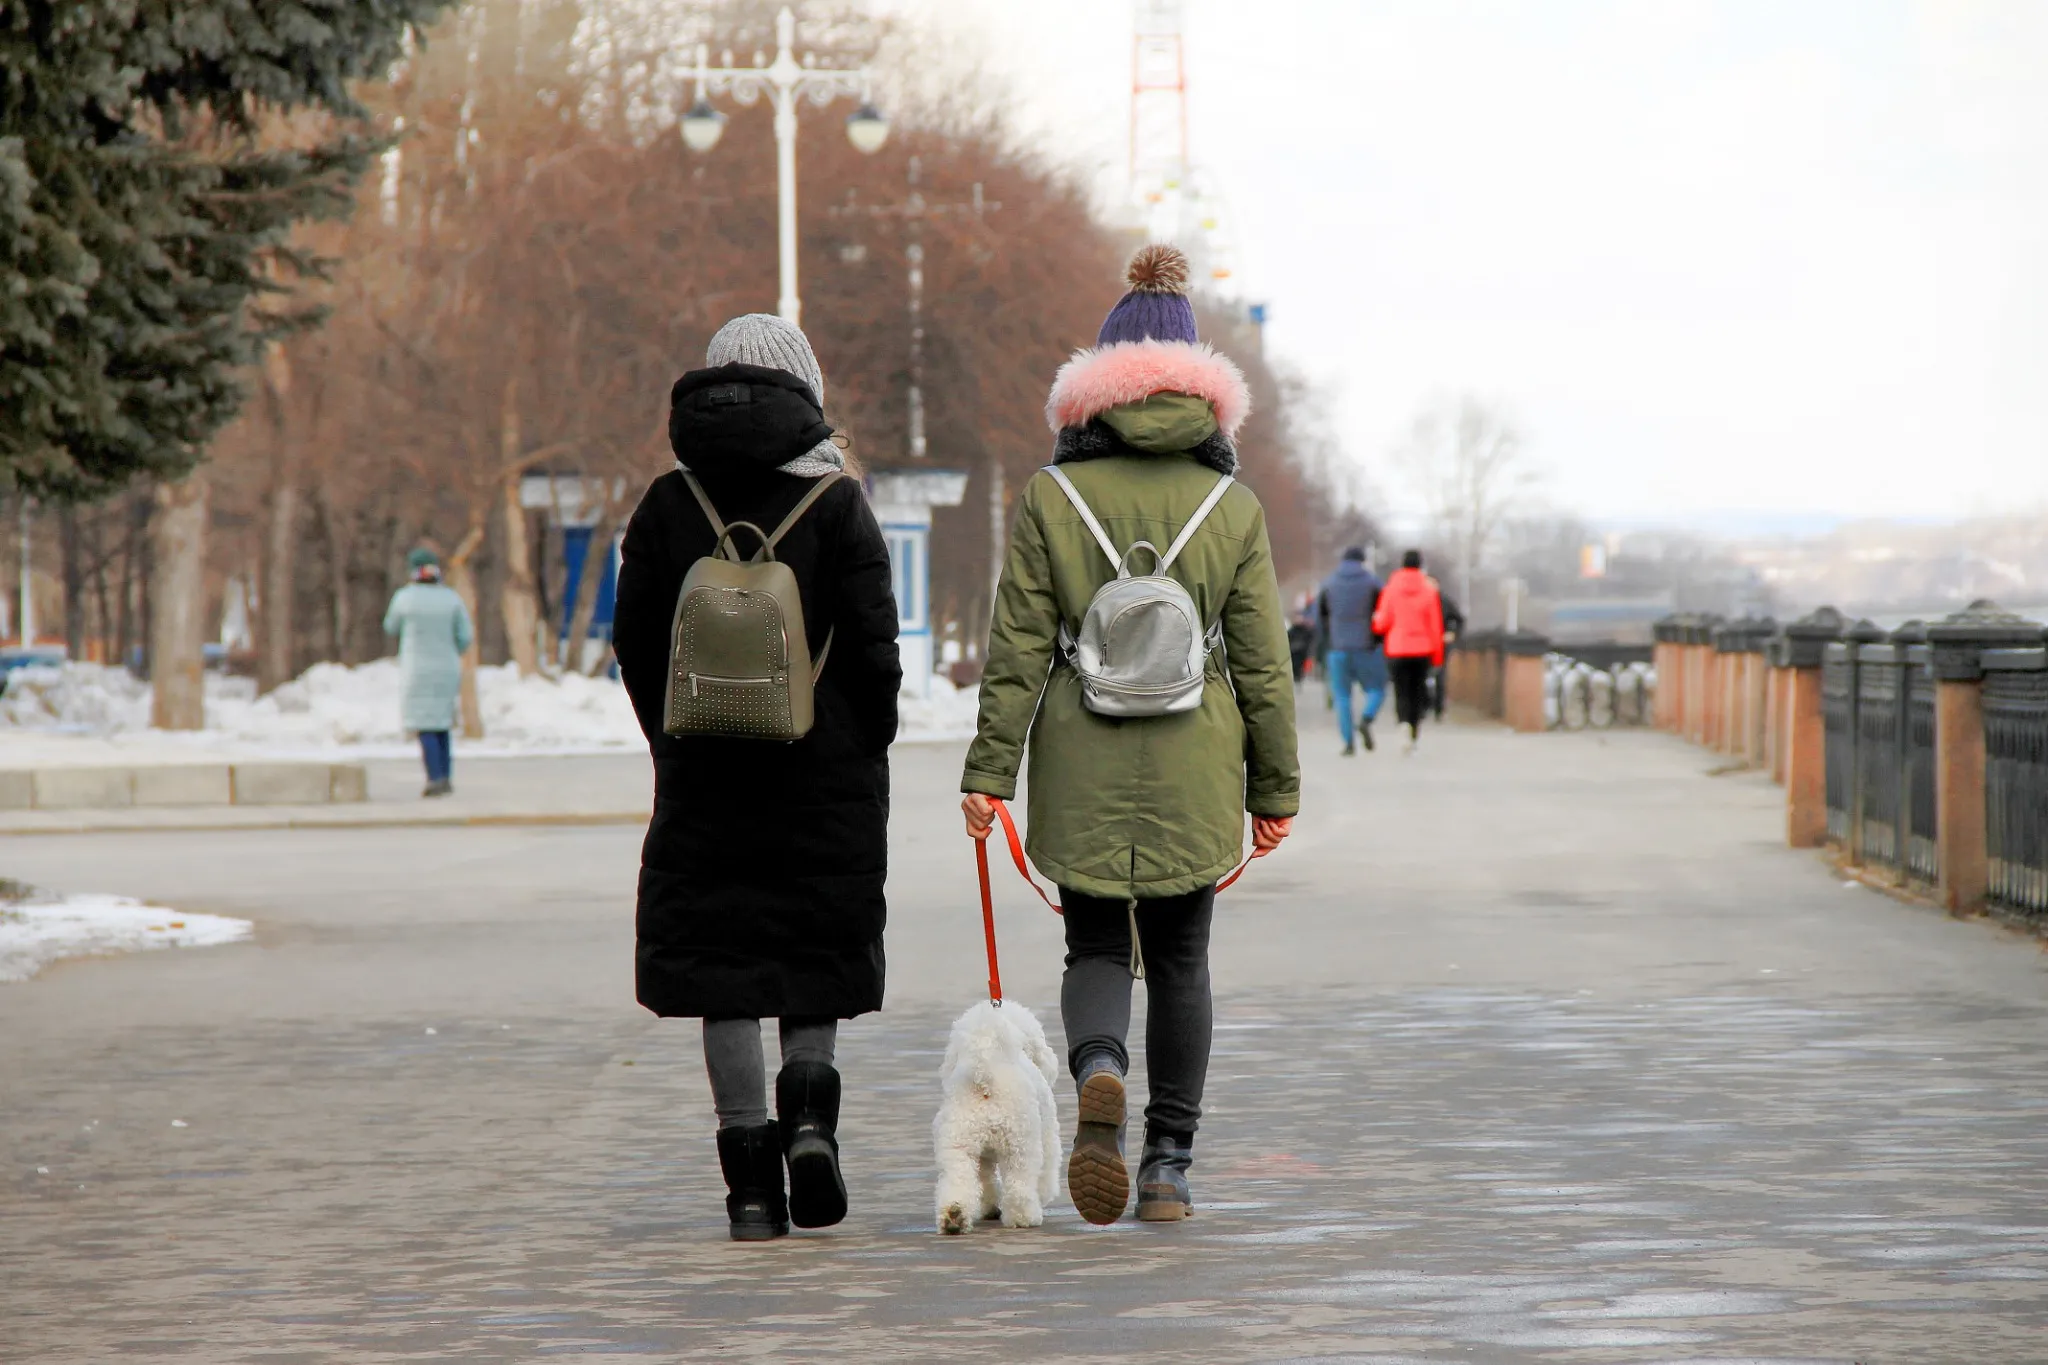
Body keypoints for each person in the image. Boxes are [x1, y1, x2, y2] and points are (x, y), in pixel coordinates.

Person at [960, 244, 1299, 1227]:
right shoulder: (1231, 507)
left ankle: (1099, 1065)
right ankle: (1167, 1166)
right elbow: (1261, 662)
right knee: (1184, 958)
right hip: (1198, 757)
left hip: (1079, 755)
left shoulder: (1048, 498)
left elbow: (1016, 649)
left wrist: (987, 773)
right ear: (1204, 398)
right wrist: (1272, 789)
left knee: (1096, 948)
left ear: (1091, 395)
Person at [611, 315, 902, 1242]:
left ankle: (747, 1185)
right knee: (812, 957)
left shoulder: (666, 504)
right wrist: (864, 741)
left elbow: (634, 641)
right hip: (824, 775)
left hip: (705, 775)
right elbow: (875, 647)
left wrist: (673, 736)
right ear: (805, 388)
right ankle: (811, 1122)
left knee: (725, 971)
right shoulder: (839, 502)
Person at [382, 548, 473, 797]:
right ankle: (445, 776)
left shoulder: (405, 598)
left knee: (425, 724)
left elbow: (390, 626)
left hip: (417, 669)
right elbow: (465, 637)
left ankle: (434, 778)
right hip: (446, 668)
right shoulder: (452, 599)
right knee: (442, 723)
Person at [1371, 548, 1446, 753]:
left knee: (1401, 690)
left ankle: (1403, 723)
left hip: (1397, 648)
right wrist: (1438, 655)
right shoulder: (1429, 591)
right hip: (1422, 650)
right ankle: (1414, 729)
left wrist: (1379, 627)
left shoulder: (1391, 589)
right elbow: (1435, 626)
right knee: (1418, 690)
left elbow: (1381, 622)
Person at [1317, 546, 1386, 755]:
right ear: (1363, 561)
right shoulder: (1373, 583)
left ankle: (1348, 743)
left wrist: (1325, 644)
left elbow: (1320, 617)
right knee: (1377, 689)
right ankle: (1366, 717)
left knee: (1342, 696)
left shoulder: (1328, 583)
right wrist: (1378, 640)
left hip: (1337, 648)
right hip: (1367, 647)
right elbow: (1384, 611)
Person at [1432, 589, 1466, 720]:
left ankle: (1439, 708)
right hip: (1422, 642)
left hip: (1440, 643)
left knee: (1440, 675)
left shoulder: (1444, 601)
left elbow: (1458, 619)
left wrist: (1452, 633)